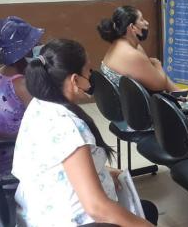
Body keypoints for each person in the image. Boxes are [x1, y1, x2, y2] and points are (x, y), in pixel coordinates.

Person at [12, 39, 158, 227]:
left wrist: (101, 172)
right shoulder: (67, 127)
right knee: (144, 217)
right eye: (88, 71)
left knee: (147, 210)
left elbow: (62, 163)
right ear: (74, 80)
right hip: (68, 221)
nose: (91, 75)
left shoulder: (39, 104)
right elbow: (97, 208)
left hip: (38, 212)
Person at [0, 16, 44, 179]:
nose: (38, 45)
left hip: (2, 150)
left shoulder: (2, 72)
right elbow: (45, 117)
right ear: (25, 50)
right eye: (34, 43)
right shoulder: (21, 84)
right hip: (16, 156)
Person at [98, 5, 179, 92]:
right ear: (132, 27)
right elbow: (161, 85)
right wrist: (158, 64)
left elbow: (153, 73)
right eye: (142, 20)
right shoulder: (130, 54)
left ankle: (183, 97)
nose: (146, 23)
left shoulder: (120, 43)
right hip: (129, 104)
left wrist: (178, 92)